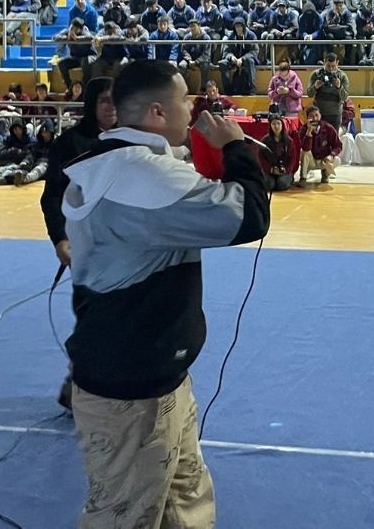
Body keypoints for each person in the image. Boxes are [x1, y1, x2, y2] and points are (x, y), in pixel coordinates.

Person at [61, 60, 269, 529]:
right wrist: (235, 146)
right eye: (183, 100)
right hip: (133, 392)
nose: (193, 107)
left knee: (184, 501)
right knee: (123, 516)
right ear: (157, 112)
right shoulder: (140, 175)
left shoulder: (114, 164)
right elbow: (247, 216)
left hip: (155, 376)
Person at [39, 77, 116, 410]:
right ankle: (78, 380)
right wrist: (59, 239)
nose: (111, 108)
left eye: (116, 101)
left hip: (125, 244)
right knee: (92, 316)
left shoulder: (131, 141)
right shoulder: (70, 142)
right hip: (85, 244)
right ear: (91, 104)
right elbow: (52, 195)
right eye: (104, 101)